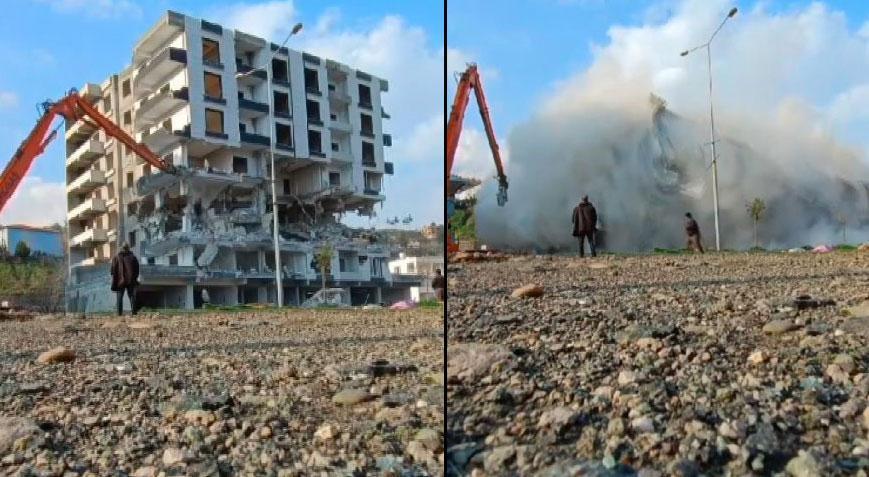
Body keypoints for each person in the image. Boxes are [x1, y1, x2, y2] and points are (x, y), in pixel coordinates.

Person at [110, 243, 139, 316]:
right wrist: (134, 278)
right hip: (130, 280)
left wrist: (114, 277)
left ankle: (119, 314)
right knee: (132, 296)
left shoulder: (116, 257)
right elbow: (137, 270)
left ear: (122, 248)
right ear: (128, 248)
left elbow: (112, 270)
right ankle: (134, 313)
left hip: (120, 281)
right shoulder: (133, 257)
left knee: (119, 297)